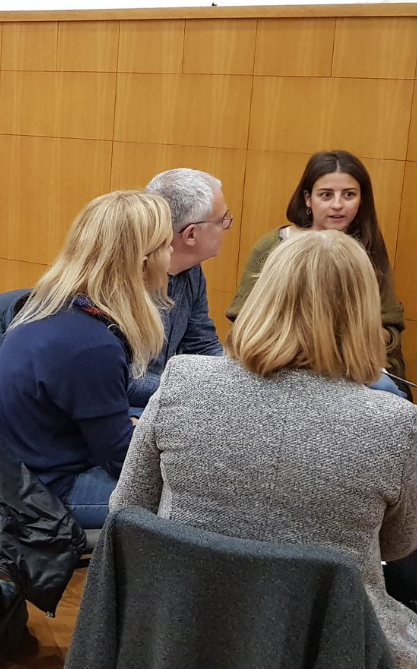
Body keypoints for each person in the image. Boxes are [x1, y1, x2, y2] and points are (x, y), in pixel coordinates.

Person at [112, 230, 417, 664]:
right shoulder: (395, 422)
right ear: (362, 313)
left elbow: (127, 508)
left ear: (264, 295)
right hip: (327, 643)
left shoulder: (183, 380)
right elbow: (399, 546)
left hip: (181, 633)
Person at [0, 191, 172, 530]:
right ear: (143, 263)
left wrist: (138, 425)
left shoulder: (56, 304)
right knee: (182, 502)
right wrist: (143, 434)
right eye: (167, 246)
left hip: (25, 463)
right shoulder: (91, 346)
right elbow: (122, 461)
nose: (172, 255)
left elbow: (105, 399)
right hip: (44, 490)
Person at [228, 150, 406, 392]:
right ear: (308, 199)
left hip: (351, 368)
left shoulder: (369, 247)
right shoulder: (272, 246)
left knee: (390, 392)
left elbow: (390, 328)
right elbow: (242, 319)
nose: (337, 204)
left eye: (349, 194)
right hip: (280, 363)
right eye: (326, 195)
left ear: (361, 199)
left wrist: (354, 338)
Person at [129, 168, 228, 409]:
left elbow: (202, 345)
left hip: (162, 400)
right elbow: (121, 380)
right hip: (120, 409)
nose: (227, 226)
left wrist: (232, 381)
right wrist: (194, 390)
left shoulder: (192, 270)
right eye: (222, 220)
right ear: (191, 234)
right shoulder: (125, 280)